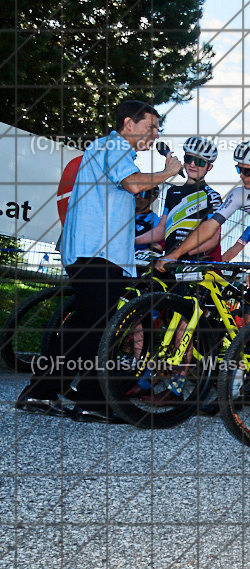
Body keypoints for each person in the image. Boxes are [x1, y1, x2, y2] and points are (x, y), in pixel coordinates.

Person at [16, 100, 183, 421]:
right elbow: (133, 184)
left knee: (98, 324)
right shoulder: (112, 146)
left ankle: (77, 395)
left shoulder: (117, 154)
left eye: (158, 129)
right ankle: (56, 394)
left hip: (106, 254)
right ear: (129, 124)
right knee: (92, 324)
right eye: (151, 127)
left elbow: (122, 198)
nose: (154, 134)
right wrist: (167, 172)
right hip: (95, 252)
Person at [156, 140, 250, 326]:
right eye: (238, 169)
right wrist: (174, 254)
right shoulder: (239, 193)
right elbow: (210, 225)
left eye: (247, 171)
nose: (242, 175)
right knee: (249, 305)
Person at [151, 136, 223, 264]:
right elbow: (160, 230)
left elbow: (213, 240)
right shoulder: (172, 192)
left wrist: (180, 255)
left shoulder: (212, 196)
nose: (192, 164)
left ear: (209, 167)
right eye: (188, 159)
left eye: (199, 162)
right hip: (166, 262)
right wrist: (132, 241)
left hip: (191, 264)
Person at [133, 188, 163, 256]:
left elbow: (158, 247)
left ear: (153, 198)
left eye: (143, 194)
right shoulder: (120, 215)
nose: (137, 196)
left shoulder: (157, 222)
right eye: (135, 193)